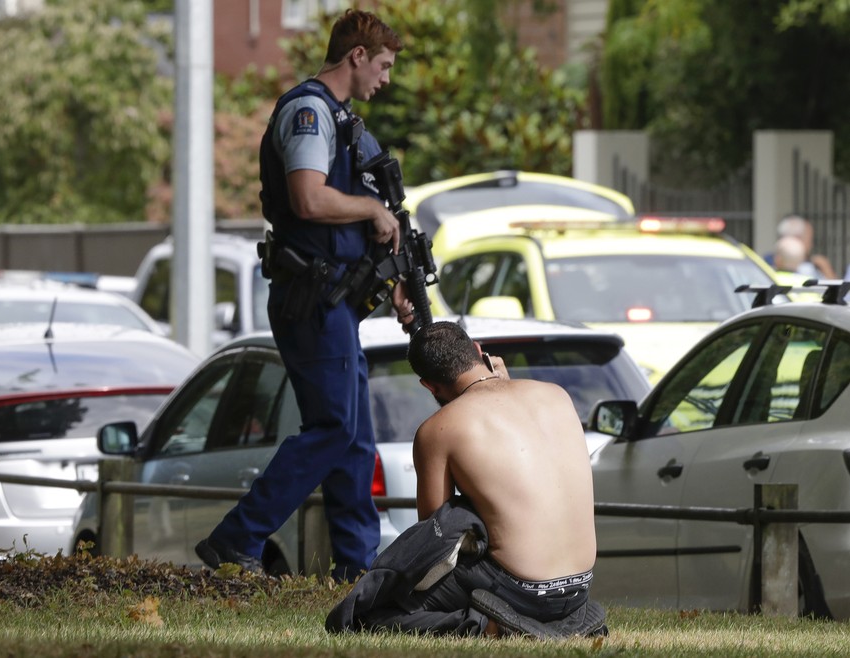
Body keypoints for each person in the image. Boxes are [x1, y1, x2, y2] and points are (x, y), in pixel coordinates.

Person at [196, 9, 413, 582]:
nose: (386, 79)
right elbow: (309, 201)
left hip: (334, 299)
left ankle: (357, 566)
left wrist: (393, 279)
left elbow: (356, 221)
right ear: (356, 56)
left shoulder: (343, 120)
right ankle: (236, 540)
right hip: (309, 298)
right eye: (384, 65)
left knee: (354, 436)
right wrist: (371, 208)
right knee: (333, 428)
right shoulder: (310, 111)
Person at [325, 321, 607, 639]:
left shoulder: (438, 429)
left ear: (429, 386)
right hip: (580, 588)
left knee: (369, 616)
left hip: (519, 590)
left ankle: (487, 627)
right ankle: (561, 623)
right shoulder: (556, 395)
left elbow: (435, 536)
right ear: (477, 351)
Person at [765, 215, 837, 280]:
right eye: (809, 239)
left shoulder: (764, 264)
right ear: (797, 238)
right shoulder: (807, 268)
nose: (811, 244)